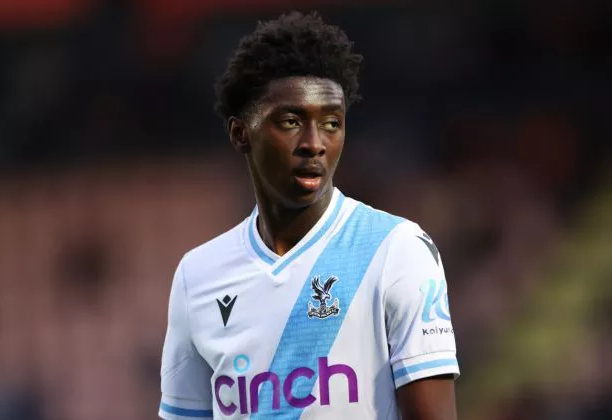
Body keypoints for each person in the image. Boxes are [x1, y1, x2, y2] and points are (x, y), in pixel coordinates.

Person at [159, 11, 459, 420]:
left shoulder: (398, 251)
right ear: (240, 133)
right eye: (290, 121)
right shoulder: (198, 277)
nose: (314, 144)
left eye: (331, 123)